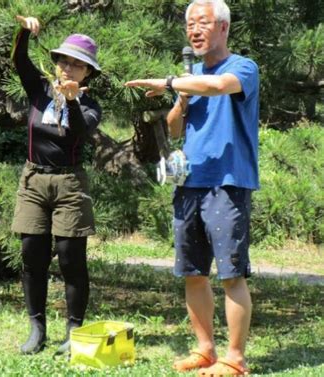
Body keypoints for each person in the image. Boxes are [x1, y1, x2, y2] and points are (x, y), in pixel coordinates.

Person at [125, 0, 259, 375]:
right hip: (189, 184)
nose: (194, 30)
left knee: (231, 273)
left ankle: (235, 359)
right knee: (193, 272)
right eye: (190, 24)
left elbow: (218, 86)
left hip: (227, 183)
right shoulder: (191, 76)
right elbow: (174, 128)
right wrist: (180, 97)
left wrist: (170, 82)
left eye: (202, 22)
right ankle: (205, 350)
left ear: (223, 28)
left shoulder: (243, 68)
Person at [11, 15, 102, 355]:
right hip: (34, 179)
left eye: (77, 65)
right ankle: (36, 329)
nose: (68, 68)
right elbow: (19, 59)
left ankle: (74, 331)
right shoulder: (39, 90)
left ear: (88, 72)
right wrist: (25, 30)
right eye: (64, 61)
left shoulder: (91, 105)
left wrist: (74, 99)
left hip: (69, 183)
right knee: (31, 255)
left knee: (70, 259)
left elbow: (79, 131)